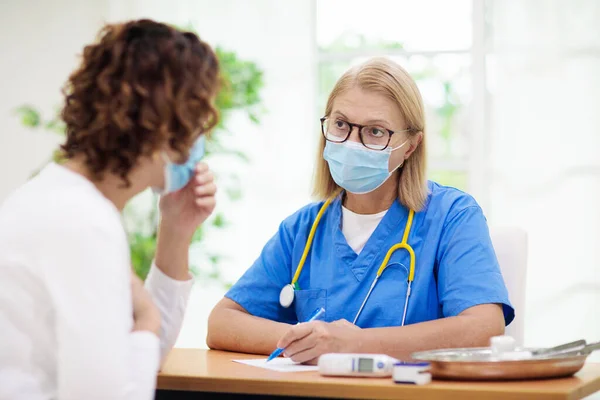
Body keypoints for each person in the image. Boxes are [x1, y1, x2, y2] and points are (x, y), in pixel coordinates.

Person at [207, 57, 514, 364]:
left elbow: (483, 328)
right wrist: (314, 343)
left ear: (410, 146)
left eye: (375, 132)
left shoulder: (452, 216)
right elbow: (222, 323)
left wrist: (354, 344)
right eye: (341, 124)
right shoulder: (302, 229)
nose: (352, 143)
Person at [0, 20, 219, 399]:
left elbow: (133, 362)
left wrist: (176, 230)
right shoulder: (81, 222)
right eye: (199, 120)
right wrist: (147, 320)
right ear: (166, 125)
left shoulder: (60, 200)